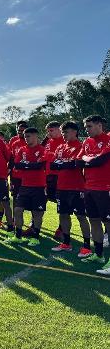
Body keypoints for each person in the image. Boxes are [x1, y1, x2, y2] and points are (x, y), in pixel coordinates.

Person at [50, 122, 92, 257]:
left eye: (66, 132)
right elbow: (53, 165)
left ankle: (86, 246)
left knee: (81, 216)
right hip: (61, 187)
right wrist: (65, 164)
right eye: (62, 132)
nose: (63, 135)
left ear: (74, 132)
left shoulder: (81, 146)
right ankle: (66, 243)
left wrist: (64, 164)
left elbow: (75, 164)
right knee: (63, 215)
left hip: (77, 187)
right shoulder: (61, 147)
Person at [76, 115, 110, 275]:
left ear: (98, 125)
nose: (86, 129)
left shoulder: (108, 139)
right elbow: (78, 161)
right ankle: (98, 255)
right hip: (89, 188)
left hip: (105, 188)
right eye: (86, 127)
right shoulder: (87, 142)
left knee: (108, 223)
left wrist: (88, 159)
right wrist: (90, 158)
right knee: (94, 221)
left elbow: (101, 161)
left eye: (89, 126)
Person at [7, 127, 46, 247]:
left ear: (36, 136)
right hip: (24, 185)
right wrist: (31, 164)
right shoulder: (22, 150)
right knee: (18, 210)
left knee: (37, 213)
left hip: (39, 186)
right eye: (25, 136)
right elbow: (17, 165)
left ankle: (35, 237)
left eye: (28, 136)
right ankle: (18, 236)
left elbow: (40, 165)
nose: (26, 138)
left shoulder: (43, 150)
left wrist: (27, 164)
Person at [43, 121, 64, 240]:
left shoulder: (64, 142)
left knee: (60, 203)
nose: (49, 133)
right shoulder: (48, 142)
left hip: (59, 177)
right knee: (41, 200)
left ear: (59, 130)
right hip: (47, 177)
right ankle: (34, 225)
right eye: (48, 131)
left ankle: (61, 229)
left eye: (51, 130)